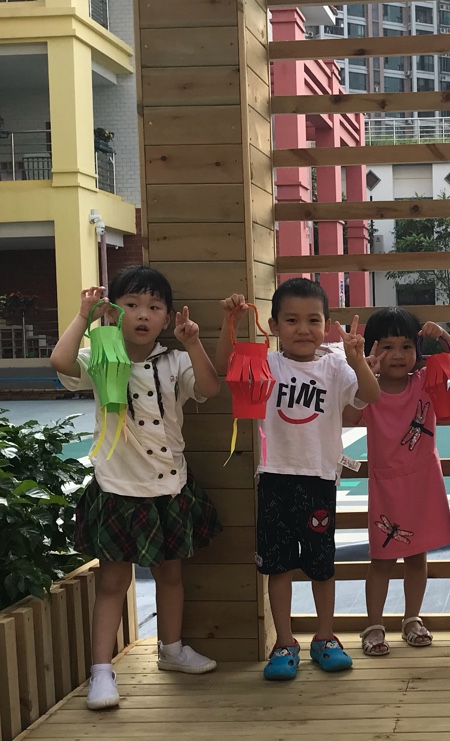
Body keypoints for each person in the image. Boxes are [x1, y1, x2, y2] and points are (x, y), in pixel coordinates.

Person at [50, 266, 224, 711]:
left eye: (154, 306)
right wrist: (84, 316)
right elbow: (61, 362)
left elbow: (210, 388)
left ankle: (171, 648)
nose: (143, 314)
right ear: (114, 311)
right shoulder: (101, 356)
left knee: (171, 574)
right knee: (112, 582)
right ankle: (101, 671)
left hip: (169, 486)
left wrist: (193, 342)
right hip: (117, 487)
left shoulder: (175, 360)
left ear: (167, 317)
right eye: (132, 305)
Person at [215, 280, 380, 681]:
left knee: (323, 566)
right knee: (279, 567)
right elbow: (226, 368)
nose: (303, 329)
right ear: (273, 325)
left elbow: (371, 396)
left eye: (313, 320)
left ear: (326, 325)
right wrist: (228, 321)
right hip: (275, 478)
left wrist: (358, 359)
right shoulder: (268, 364)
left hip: (320, 479)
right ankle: (285, 642)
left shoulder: (336, 366)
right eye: (291, 320)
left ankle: (325, 637)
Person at [342, 308, 450, 656]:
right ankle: (374, 625)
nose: (397, 355)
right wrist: (362, 369)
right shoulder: (369, 390)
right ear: (372, 349)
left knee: (417, 557)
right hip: (387, 486)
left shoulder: (424, 380)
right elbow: (348, 416)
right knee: (381, 560)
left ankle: (412, 619)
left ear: (417, 349)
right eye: (387, 347)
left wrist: (443, 335)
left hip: (424, 482)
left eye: (406, 346)